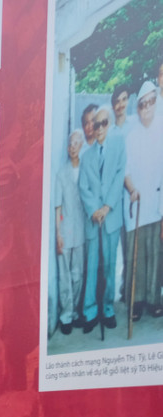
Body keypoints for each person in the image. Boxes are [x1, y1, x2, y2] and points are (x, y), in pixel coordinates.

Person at [81, 105, 128, 331]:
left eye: (103, 123)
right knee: (92, 268)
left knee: (109, 266)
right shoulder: (86, 156)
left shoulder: (119, 146)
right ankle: (90, 312)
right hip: (94, 220)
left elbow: (120, 176)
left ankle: (107, 309)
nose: (99, 128)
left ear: (109, 123)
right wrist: (94, 210)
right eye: (95, 124)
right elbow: (83, 188)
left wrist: (106, 207)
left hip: (110, 218)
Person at [124, 82, 163, 320]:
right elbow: (126, 171)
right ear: (137, 109)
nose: (146, 108)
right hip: (137, 204)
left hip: (157, 205)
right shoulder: (132, 136)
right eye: (142, 104)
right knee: (136, 255)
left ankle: (153, 300)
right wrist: (131, 189)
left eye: (150, 102)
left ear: (155, 103)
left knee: (154, 253)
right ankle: (136, 302)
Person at [54, 129, 89, 333]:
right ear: (67, 148)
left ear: (81, 145)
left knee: (78, 275)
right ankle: (65, 316)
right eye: (70, 144)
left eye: (77, 143)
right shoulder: (61, 173)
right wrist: (58, 233)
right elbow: (58, 207)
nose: (73, 146)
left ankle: (75, 312)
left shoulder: (86, 169)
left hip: (81, 231)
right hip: (65, 232)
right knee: (65, 277)